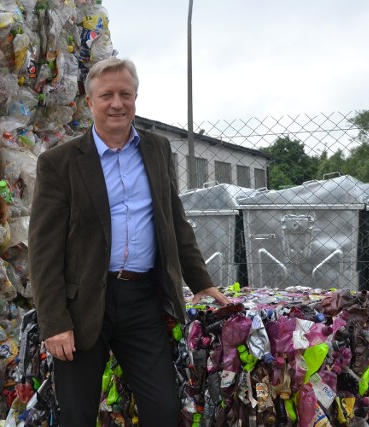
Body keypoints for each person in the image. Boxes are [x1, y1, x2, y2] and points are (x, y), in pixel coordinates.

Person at [28, 57, 231, 426]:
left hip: (141, 301)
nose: (117, 103)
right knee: (77, 414)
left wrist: (201, 282)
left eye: (125, 94)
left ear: (136, 98)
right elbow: (43, 251)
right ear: (89, 102)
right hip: (82, 305)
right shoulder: (60, 163)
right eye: (106, 95)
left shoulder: (156, 150)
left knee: (163, 411)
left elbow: (175, 221)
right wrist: (54, 321)